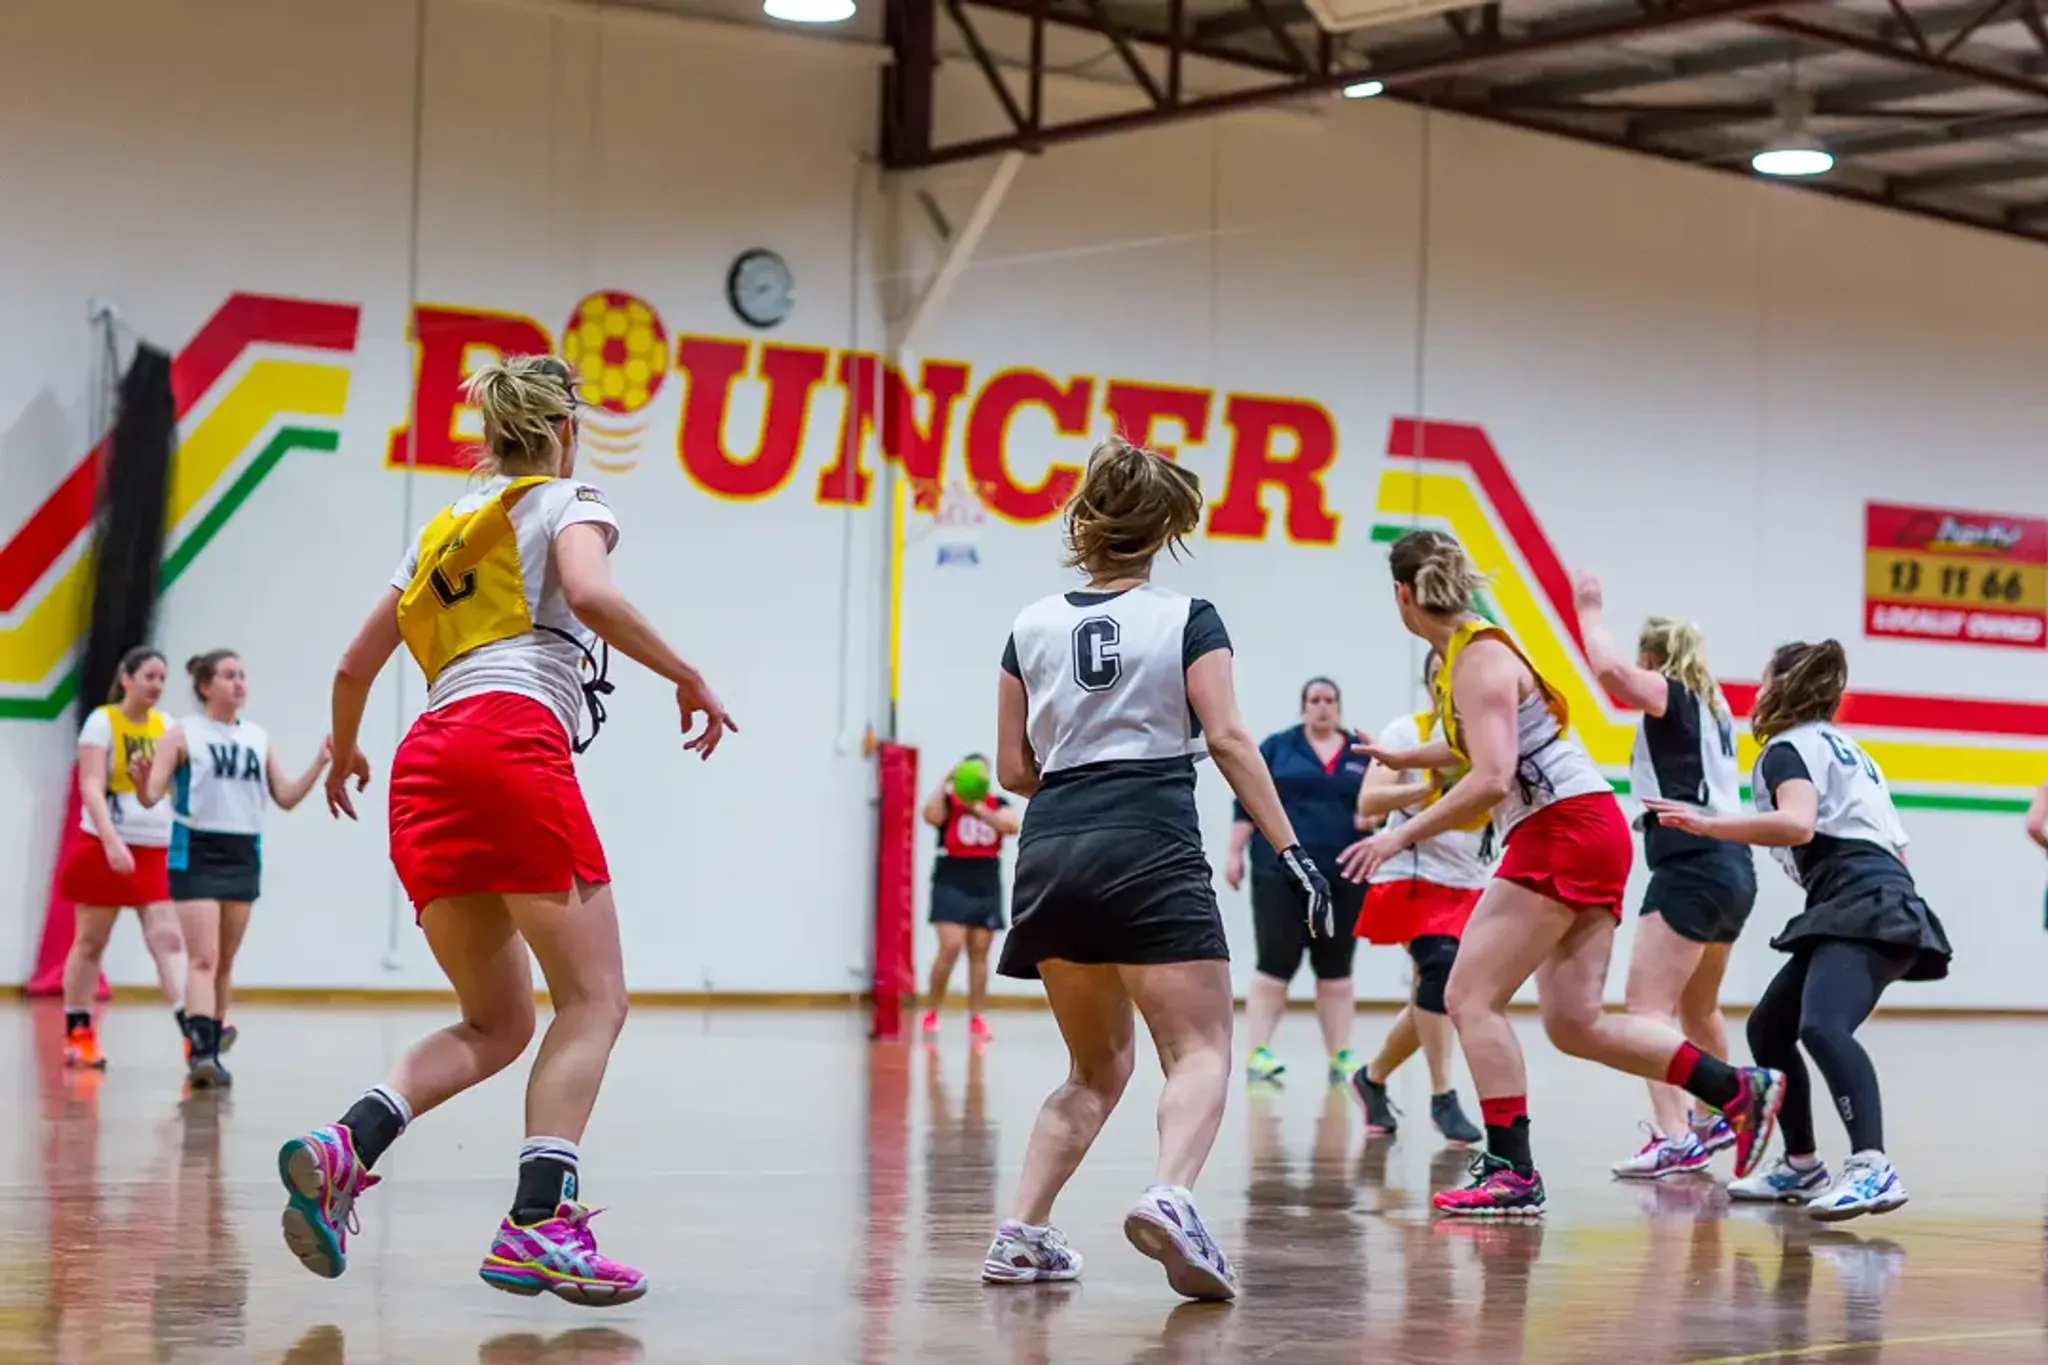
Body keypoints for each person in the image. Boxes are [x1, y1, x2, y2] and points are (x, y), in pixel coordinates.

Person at [274, 355, 735, 1305]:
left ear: (489, 437)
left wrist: (350, 752)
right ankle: (540, 1221)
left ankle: (345, 1143)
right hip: (508, 741)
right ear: (568, 431)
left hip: (425, 761)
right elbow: (593, 594)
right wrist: (687, 673)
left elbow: (355, 665)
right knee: (595, 999)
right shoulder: (570, 501)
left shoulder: (442, 532)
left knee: (499, 1019)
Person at [1339, 531, 1782, 1217]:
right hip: (1588, 827)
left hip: (1562, 829)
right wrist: (1404, 758)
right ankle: (1735, 1088)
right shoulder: (1476, 647)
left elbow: (1490, 777)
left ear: (1402, 594)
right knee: (1575, 1023)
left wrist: (1398, 833)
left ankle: (1512, 1169)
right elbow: (1487, 747)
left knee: (1467, 995)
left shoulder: (1477, 657)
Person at [979, 436, 1329, 1301]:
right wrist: (1290, 847)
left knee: (1093, 1068)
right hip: (1149, 836)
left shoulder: (1029, 624)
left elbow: (1012, 772)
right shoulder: (1188, 617)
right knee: (1202, 1046)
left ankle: (1020, 1233)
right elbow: (1228, 737)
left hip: (1053, 843)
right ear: (1168, 527)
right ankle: (1170, 1194)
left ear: (1083, 518)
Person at [1647, 640, 1949, 1221]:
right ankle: (1803, 1164)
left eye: (1762, 682)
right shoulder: (1850, 751)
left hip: (1859, 897)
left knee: (1824, 1028)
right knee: (1771, 1026)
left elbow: (1796, 825)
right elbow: (1895, 850)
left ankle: (1871, 1167)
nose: (1756, 694)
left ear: (1783, 688)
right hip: (1874, 894)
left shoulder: (1787, 750)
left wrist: (1710, 825)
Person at [1574, 574, 1758, 1179]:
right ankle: (1714, 1117)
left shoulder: (1670, 693)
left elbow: (1607, 674)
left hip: (1691, 863)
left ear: (1652, 657)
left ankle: (1677, 1135)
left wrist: (1589, 613)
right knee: (1700, 1007)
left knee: (1646, 1012)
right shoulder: (1715, 708)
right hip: (1735, 869)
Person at [131, 650, 330, 1087]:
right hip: (197, 849)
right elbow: (150, 797)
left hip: (243, 850)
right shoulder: (183, 733)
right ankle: (200, 1051)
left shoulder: (258, 738)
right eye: (228, 676)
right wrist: (140, 777)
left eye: (242, 675)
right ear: (206, 686)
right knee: (202, 957)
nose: (239, 683)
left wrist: (320, 760)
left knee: (224, 961)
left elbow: (288, 796)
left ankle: (214, 1045)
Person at [1342, 650, 1486, 1146]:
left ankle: (1373, 1077)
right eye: (1437, 676)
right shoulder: (1409, 731)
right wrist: (1422, 789)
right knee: (1441, 970)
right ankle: (1443, 1094)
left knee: (1436, 993)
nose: (1445, 683)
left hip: (1470, 877)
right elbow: (1368, 802)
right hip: (1413, 873)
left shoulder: (1490, 734)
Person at [1224, 677, 1369, 1085]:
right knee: (1275, 963)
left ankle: (1340, 1055)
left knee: (1336, 968)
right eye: (1314, 700)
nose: (1322, 706)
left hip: (1344, 873)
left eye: (1329, 700)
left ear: (1338, 706)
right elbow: (1246, 803)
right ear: (1303, 705)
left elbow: (1381, 803)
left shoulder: (1361, 752)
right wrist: (1234, 853)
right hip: (1280, 874)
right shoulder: (1277, 748)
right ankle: (1259, 1053)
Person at [58, 646, 189, 1070]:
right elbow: (92, 785)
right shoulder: (102, 722)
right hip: (105, 842)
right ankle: (78, 1032)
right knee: (92, 940)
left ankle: (195, 1030)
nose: (156, 685)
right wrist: (112, 841)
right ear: (127, 678)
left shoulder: (166, 726)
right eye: (149, 676)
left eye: (162, 679)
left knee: (168, 938)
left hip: (154, 845)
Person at [920, 755, 1021, 1042]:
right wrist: (946, 781)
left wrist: (977, 809)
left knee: (979, 951)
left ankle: (977, 1016)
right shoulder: (949, 804)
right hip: (952, 876)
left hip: (985, 878)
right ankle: (932, 1011)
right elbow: (930, 815)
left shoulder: (996, 804)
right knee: (949, 947)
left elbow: (1011, 826)